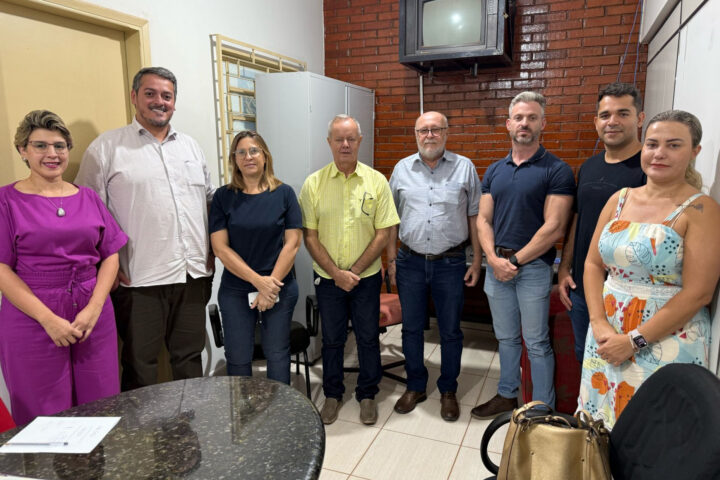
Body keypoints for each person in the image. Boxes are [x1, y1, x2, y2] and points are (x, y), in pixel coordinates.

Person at [578, 110, 720, 429]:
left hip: (665, 337)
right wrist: (598, 323)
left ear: (694, 151)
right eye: (653, 144)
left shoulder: (701, 209)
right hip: (607, 331)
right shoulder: (619, 199)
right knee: (599, 424)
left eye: (674, 145)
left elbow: (699, 293)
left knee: (652, 430)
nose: (659, 153)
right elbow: (592, 264)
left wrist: (634, 341)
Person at [76, 67, 215, 391]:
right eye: (150, 93)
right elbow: (86, 214)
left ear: (174, 102)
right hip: (139, 280)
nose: (159, 101)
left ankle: (192, 426)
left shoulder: (191, 147)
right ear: (134, 97)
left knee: (189, 361)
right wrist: (103, 267)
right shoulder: (106, 148)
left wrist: (211, 250)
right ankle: (140, 427)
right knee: (140, 367)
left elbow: (209, 202)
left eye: (167, 96)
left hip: (192, 275)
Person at [0, 110, 128, 425]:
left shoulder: (88, 197)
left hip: (91, 309)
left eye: (59, 146)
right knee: (42, 409)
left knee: (100, 402)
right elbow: (2, 269)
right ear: (23, 151)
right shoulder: (6, 201)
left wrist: (94, 308)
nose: (52, 154)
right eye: (40, 146)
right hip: (32, 312)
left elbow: (110, 254)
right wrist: (48, 319)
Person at [472, 92, 575, 418]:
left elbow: (554, 227)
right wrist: (493, 259)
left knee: (536, 343)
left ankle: (540, 410)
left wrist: (514, 262)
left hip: (531, 270)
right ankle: (507, 394)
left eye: (532, 117)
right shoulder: (494, 170)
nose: (524, 123)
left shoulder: (556, 170)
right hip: (497, 268)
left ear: (543, 123)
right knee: (505, 338)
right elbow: (483, 220)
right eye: (518, 118)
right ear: (508, 124)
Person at [299, 114, 400, 425]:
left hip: (365, 279)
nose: (345, 144)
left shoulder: (377, 181)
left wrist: (353, 271)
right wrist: (336, 273)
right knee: (332, 339)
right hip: (328, 280)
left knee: (368, 337)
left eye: (351, 139)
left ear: (359, 141)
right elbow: (310, 236)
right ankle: (332, 394)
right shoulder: (313, 184)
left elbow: (383, 232)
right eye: (339, 139)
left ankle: (367, 394)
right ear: (329, 142)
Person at [386, 111, 481, 421]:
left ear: (446, 133)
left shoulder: (465, 167)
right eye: (423, 130)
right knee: (411, 328)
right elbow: (390, 220)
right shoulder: (401, 169)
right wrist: (391, 260)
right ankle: (415, 385)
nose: (429, 135)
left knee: (450, 330)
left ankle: (448, 389)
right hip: (409, 261)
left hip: (450, 263)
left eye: (435, 129)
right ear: (416, 135)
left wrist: (476, 260)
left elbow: (474, 217)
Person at [558, 83, 646, 362]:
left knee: (627, 366)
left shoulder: (649, 168)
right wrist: (564, 268)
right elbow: (578, 219)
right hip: (583, 289)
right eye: (605, 115)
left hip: (626, 294)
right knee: (586, 359)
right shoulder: (589, 167)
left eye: (623, 113)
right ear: (596, 121)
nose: (612, 121)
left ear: (640, 118)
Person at [209, 131, 302, 383]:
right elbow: (220, 248)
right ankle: (243, 407)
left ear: (265, 156)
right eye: (241, 152)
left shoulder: (284, 193)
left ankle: (279, 407)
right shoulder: (223, 197)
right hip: (236, 289)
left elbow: (292, 244)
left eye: (254, 151)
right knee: (238, 356)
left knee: (277, 353)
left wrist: (269, 286)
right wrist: (259, 282)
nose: (248, 157)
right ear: (234, 159)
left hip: (279, 285)